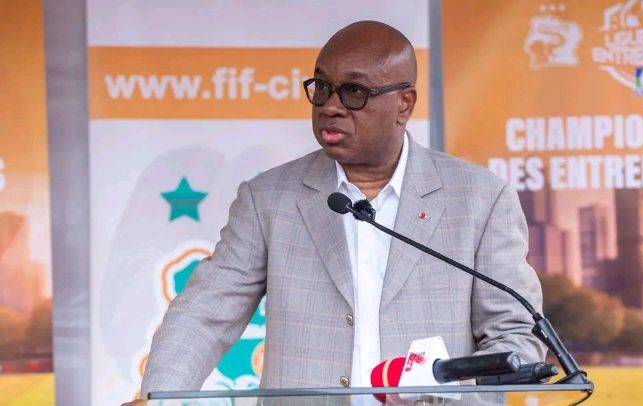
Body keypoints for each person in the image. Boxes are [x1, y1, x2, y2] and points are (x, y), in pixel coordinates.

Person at [133, 20, 545, 401]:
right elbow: (204, 315)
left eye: (354, 92)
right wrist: (160, 397)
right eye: (322, 87)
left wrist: (448, 385)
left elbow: (515, 334)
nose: (331, 106)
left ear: (404, 103)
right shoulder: (269, 198)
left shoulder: (480, 199)